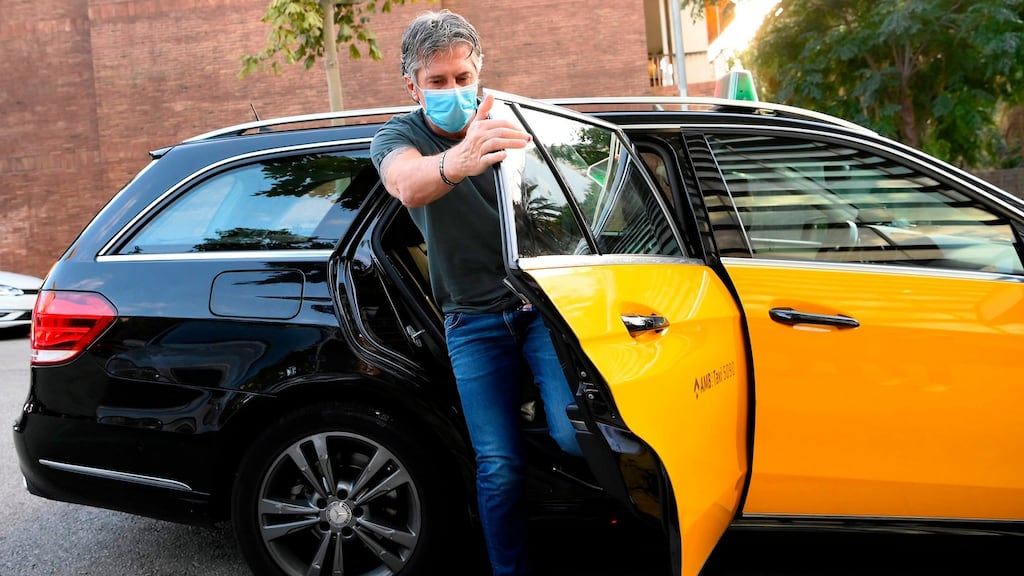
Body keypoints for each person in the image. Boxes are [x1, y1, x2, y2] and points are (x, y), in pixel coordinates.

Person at [369, 9, 583, 576]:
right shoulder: (398, 136)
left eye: (463, 78)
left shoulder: (510, 120)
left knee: (574, 433)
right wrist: (463, 159)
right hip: (470, 319)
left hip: (540, 307)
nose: (453, 91)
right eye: (437, 82)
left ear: (479, 73)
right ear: (411, 85)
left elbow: (569, 192)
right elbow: (406, 185)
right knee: (497, 464)